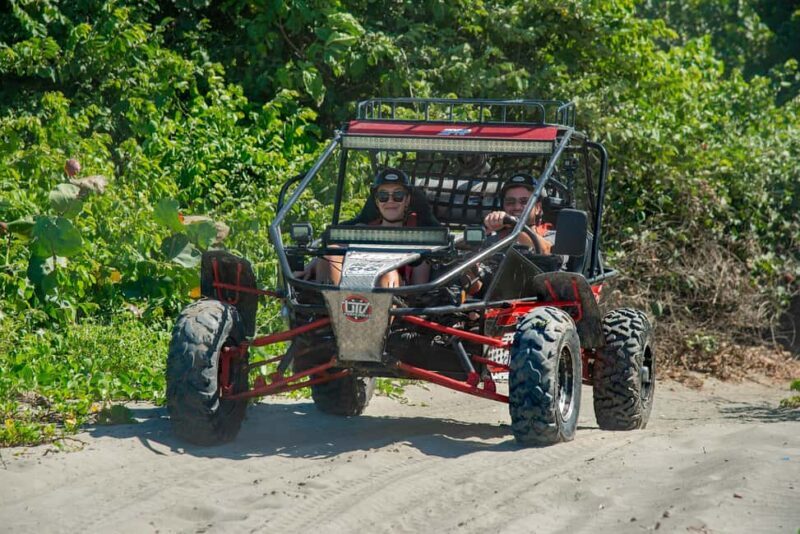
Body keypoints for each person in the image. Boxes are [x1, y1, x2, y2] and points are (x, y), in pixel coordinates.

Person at [294, 167, 431, 287]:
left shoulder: (419, 237)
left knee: (386, 275)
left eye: (398, 195)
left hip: (395, 296)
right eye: (383, 196)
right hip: (350, 288)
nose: (390, 201)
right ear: (376, 201)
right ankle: (335, 310)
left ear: (407, 200)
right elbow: (333, 251)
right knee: (331, 253)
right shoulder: (362, 230)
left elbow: (420, 289)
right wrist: (311, 265)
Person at [483, 173, 555, 253]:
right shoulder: (493, 241)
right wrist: (485, 232)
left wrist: (513, 225)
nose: (517, 207)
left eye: (524, 201)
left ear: (538, 208)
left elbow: (547, 250)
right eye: (510, 202)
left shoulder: (554, 236)